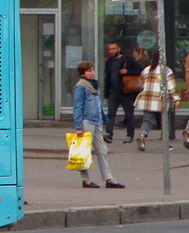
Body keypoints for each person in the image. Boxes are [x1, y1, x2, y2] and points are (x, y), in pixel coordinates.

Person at [73, 60, 124, 189]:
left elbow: (98, 104)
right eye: (89, 70)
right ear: (83, 73)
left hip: (97, 121)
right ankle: (86, 180)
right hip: (87, 121)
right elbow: (77, 107)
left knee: (102, 150)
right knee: (85, 152)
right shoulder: (80, 86)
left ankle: (108, 178)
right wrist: (79, 127)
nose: (92, 72)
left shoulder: (94, 85)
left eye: (93, 70)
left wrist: (103, 118)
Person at [134, 49, 177, 150]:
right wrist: (176, 99)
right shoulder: (166, 71)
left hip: (147, 100)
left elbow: (140, 85)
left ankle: (141, 136)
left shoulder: (146, 70)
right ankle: (166, 144)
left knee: (147, 120)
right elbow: (171, 87)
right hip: (161, 100)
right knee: (165, 122)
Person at [102, 40, 142, 143]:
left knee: (129, 114)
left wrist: (128, 71)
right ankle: (109, 134)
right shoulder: (109, 61)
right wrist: (106, 93)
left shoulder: (127, 59)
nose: (111, 51)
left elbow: (140, 70)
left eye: (114, 49)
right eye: (110, 49)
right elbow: (107, 77)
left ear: (118, 49)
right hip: (113, 92)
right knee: (111, 113)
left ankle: (130, 135)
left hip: (126, 91)